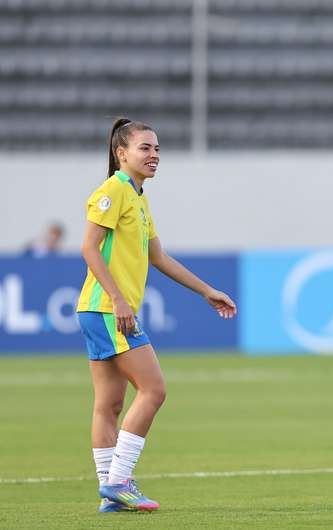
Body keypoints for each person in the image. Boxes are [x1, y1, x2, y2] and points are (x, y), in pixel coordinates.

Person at [76, 118, 237, 513]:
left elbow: (158, 257)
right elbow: (89, 248)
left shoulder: (139, 198)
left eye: (158, 149)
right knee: (154, 390)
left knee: (109, 404)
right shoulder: (113, 190)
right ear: (121, 153)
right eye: (145, 148)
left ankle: (110, 493)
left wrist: (206, 291)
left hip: (98, 311)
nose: (154, 155)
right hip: (105, 308)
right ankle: (119, 481)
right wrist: (118, 299)